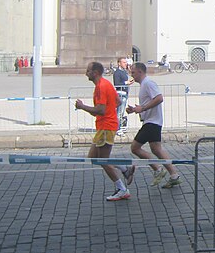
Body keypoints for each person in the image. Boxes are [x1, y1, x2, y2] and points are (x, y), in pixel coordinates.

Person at [75, 61, 131, 202]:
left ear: (95, 72)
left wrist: (82, 106)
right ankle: (125, 169)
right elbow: (117, 101)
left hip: (106, 126)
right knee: (94, 157)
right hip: (105, 125)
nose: (86, 73)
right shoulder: (106, 84)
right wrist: (108, 110)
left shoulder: (100, 87)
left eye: (88, 70)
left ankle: (122, 188)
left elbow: (100, 110)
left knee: (103, 160)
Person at [125, 62, 181, 188]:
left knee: (135, 148)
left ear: (140, 72)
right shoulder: (144, 84)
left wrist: (143, 108)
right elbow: (146, 104)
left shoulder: (148, 83)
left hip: (152, 122)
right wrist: (135, 109)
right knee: (157, 149)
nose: (131, 74)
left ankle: (158, 169)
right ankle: (174, 175)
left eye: (133, 72)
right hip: (151, 121)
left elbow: (159, 98)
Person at [112, 57, 133, 134]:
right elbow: (116, 84)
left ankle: (120, 127)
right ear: (119, 63)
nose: (126, 64)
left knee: (121, 112)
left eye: (126, 62)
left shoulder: (124, 72)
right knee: (119, 112)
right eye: (124, 62)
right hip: (120, 94)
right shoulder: (117, 72)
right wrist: (126, 83)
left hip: (124, 93)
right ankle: (117, 128)